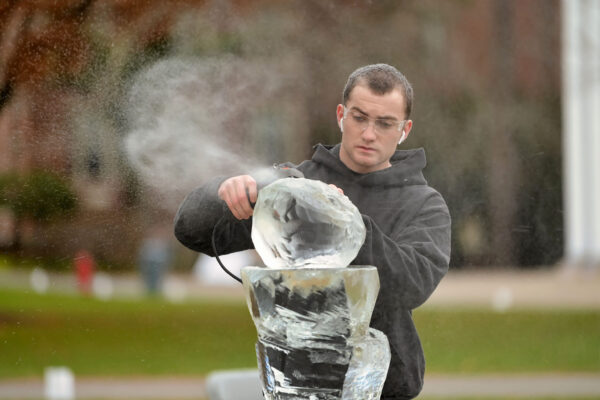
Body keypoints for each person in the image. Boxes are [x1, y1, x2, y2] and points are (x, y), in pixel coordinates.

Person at [174, 63, 451, 400]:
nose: (368, 133)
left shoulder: (423, 204)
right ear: (341, 115)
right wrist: (220, 193)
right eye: (359, 117)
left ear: (404, 129)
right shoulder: (295, 188)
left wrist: (346, 222)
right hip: (293, 386)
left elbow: (413, 285)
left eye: (384, 123)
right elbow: (191, 231)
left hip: (381, 389)